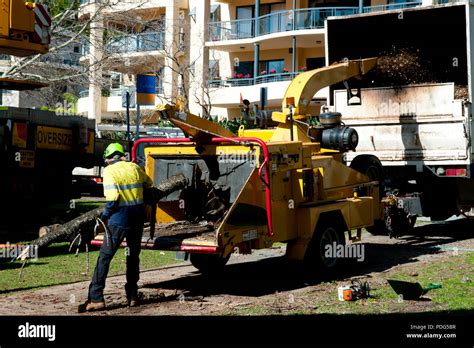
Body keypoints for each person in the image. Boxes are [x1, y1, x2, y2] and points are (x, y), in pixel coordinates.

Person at [79, 143, 153, 312]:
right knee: (132, 257)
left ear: (109, 158)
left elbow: (112, 198)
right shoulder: (134, 167)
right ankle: (133, 295)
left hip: (118, 220)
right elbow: (149, 183)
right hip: (137, 220)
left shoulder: (110, 171)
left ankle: (96, 298)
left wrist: (104, 217)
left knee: (105, 257)